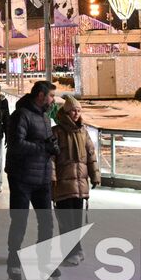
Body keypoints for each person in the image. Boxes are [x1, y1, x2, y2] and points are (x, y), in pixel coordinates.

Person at [5, 80, 59, 280]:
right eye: (51, 96)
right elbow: (16, 145)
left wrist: (53, 147)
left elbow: (44, 144)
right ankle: (14, 261)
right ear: (40, 96)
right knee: (19, 221)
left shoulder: (45, 117)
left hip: (42, 178)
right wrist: (42, 147)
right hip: (22, 178)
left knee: (46, 222)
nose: (53, 100)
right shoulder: (21, 115)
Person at [51, 94, 99, 266]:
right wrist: (53, 177)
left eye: (78, 111)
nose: (76, 114)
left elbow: (91, 156)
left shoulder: (83, 133)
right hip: (63, 184)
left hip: (80, 184)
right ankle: (70, 251)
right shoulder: (56, 132)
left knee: (77, 220)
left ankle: (76, 249)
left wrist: (95, 175)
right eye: (73, 111)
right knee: (66, 220)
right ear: (66, 112)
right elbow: (51, 159)